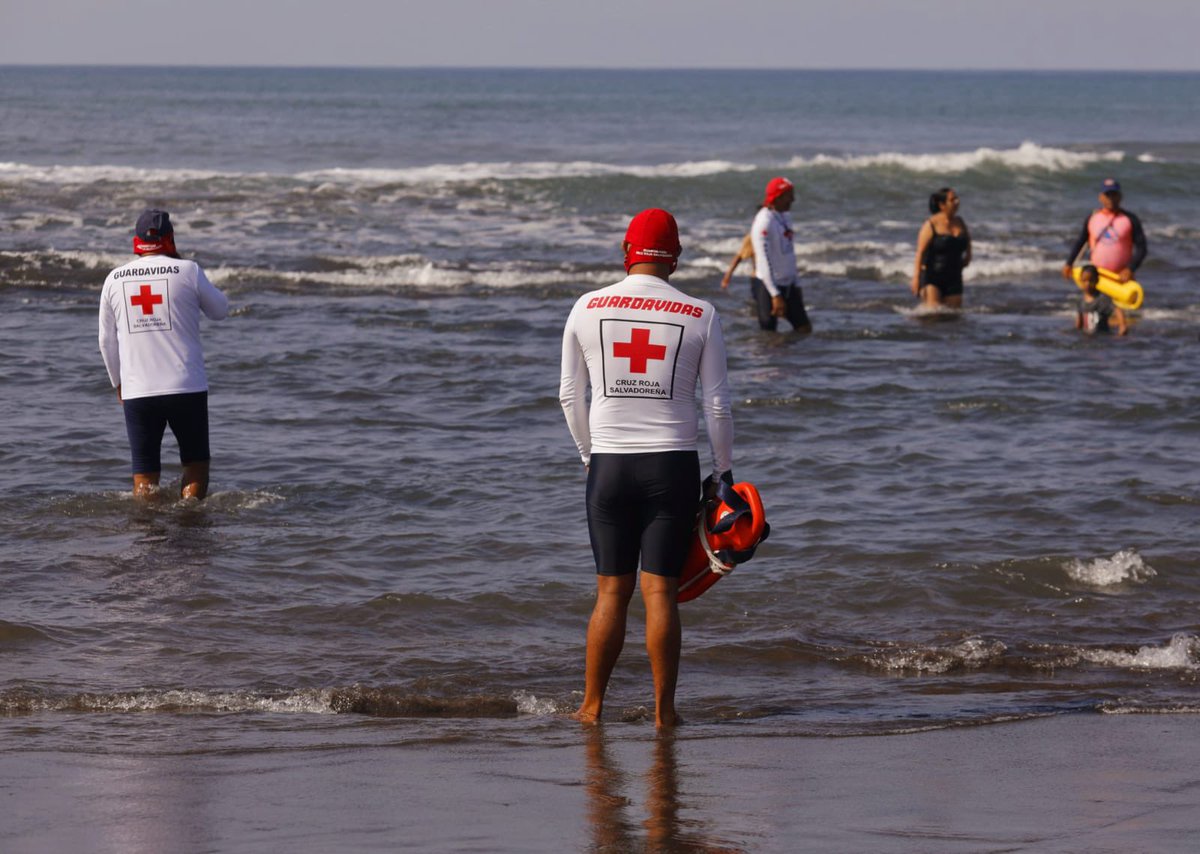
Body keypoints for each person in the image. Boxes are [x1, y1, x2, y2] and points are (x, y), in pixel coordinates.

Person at [559, 208, 734, 728]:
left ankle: (591, 709)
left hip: (609, 466)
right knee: (660, 592)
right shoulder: (700, 314)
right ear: (675, 258)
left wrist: (591, 457)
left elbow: (570, 397)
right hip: (672, 465)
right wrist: (724, 475)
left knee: (611, 591)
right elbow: (718, 406)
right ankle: (664, 713)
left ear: (624, 251)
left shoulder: (587, 307)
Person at [98, 209, 229, 500]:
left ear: (137, 240)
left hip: (138, 390)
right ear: (170, 238)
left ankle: (149, 536)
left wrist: (118, 384)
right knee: (196, 465)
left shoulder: (114, 278)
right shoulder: (188, 270)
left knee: (144, 476)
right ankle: (189, 522)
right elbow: (220, 311)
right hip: (186, 387)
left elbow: (106, 341)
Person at [748, 177, 812, 332]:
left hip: (788, 284)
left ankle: (793, 356)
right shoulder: (763, 222)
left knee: (804, 329)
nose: (793, 199)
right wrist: (775, 295)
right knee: (768, 335)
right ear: (777, 197)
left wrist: (796, 283)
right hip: (767, 285)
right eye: (789, 195)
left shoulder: (785, 216)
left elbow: (790, 253)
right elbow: (763, 260)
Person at [1060, 177, 1147, 284]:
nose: (1111, 198)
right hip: (1096, 277)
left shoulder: (1130, 219)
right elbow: (1080, 242)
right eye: (1107, 195)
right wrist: (1069, 263)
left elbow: (1142, 248)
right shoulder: (1092, 218)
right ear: (1100, 197)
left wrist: (1130, 268)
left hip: (1121, 278)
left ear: (1120, 197)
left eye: (1114, 194)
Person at [911, 187, 971, 308]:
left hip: (954, 276)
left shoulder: (960, 222)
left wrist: (969, 255)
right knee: (933, 316)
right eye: (952, 199)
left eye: (957, 198)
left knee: (953, 317)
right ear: (942, 205)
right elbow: (920, 253)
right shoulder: (930, 224)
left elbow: (967, 240)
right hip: (932, 277)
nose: (957, 202)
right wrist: (916, 278)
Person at [1075, 264, 1128, 336]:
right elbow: (1079, 323)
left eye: (1091, 281)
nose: (1087, 284)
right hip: (1087, 336)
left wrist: (1122, 326)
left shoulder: (1102, 298)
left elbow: (1117, 309)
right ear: (1080, 280)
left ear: (1097, 280)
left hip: (1102, 336)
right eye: (1084, 280)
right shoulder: (1080, 300)